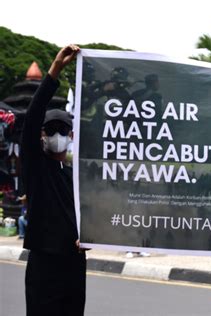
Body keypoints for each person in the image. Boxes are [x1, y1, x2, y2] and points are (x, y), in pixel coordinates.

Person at [21, 44, 86, 316]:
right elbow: (33, 118)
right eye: (51, 130)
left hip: (75, 266)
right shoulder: (37, 168)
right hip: (44, 266)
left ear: (71, 136)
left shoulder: (77, 177)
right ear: (41, 135)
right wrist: (55, 70)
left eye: (63, 130)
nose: (57, 134)